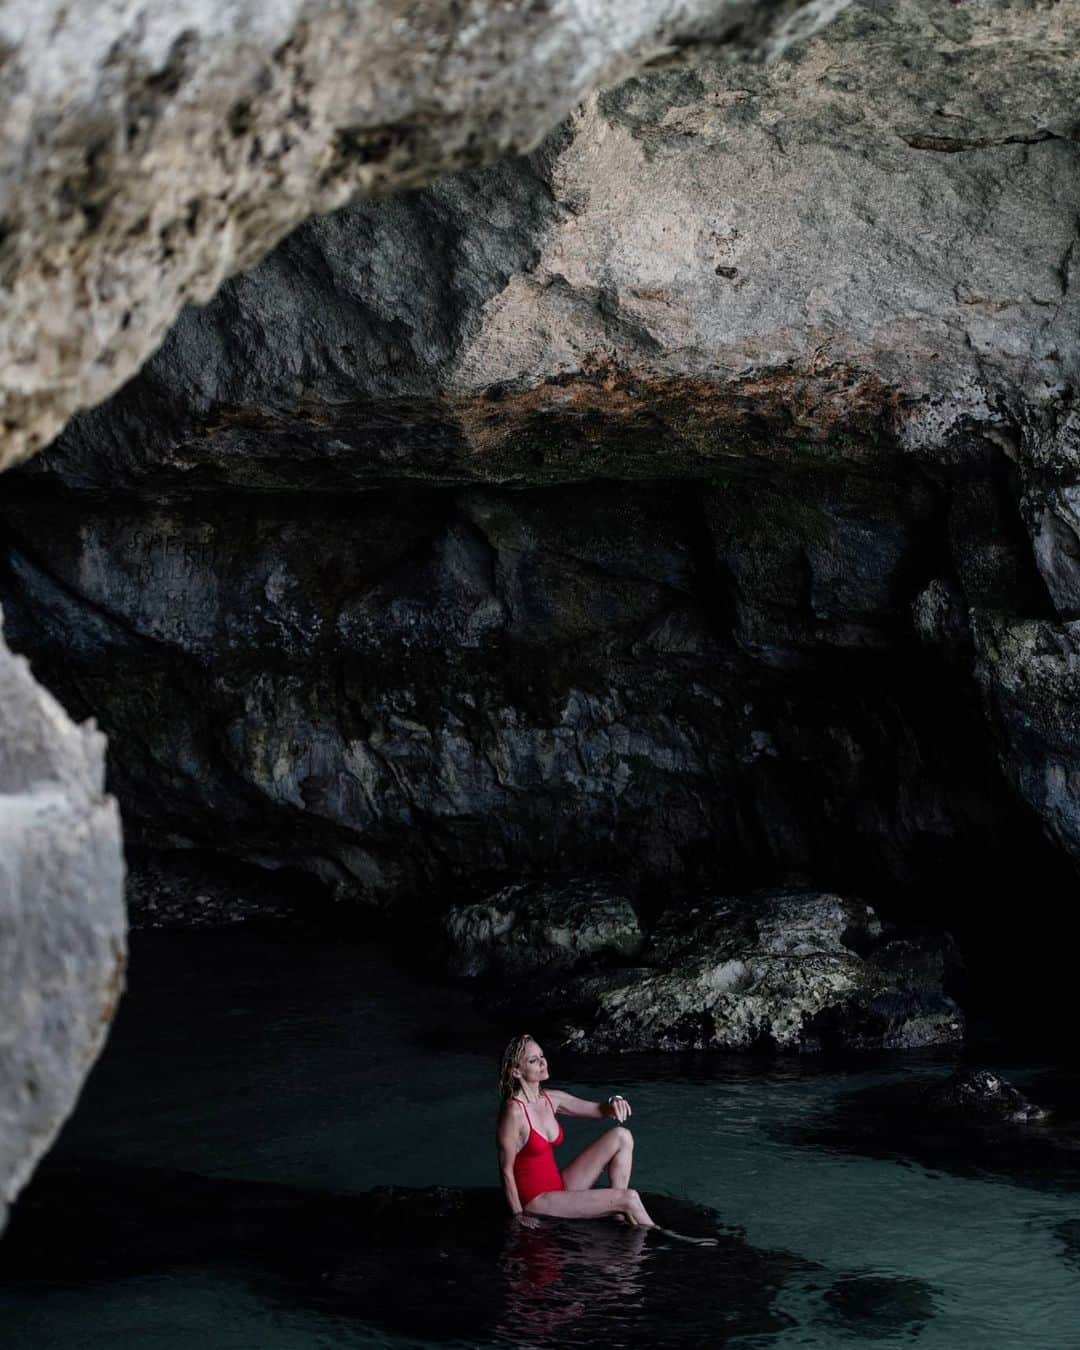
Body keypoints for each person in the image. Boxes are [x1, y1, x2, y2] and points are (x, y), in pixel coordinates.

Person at [495, 1032, 658, 1229]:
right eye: (533, 1060)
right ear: (516, 1072)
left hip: (558, 1186)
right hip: (537, 1201)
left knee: (622, 1136)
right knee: (630, 1198)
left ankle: (618, 1215)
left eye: (542, 1056)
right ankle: (661, 1238)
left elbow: (601, 1110)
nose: (542, 1062)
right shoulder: (513, 1111)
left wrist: (615, 1099)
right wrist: (518, 1215)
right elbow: (505, 1169)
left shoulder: (551, 1099)